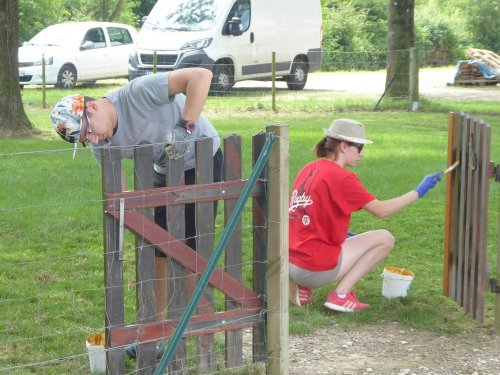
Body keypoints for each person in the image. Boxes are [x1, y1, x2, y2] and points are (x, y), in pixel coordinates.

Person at [50, 68, 223, 354]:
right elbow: (123, 197)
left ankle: (196, 331)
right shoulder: (101, 144)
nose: (91, 140)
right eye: (84, 140)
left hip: (199, 159)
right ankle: (153, 335)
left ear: (92, 107)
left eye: (88, 132)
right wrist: (129, 216)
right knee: (157, 250)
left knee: (192, 249)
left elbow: (202, 76)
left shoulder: (139, 92)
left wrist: (185, 127)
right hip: (162, 167)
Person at [288, 118, 442, 313]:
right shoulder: (343, 177)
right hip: (312, 268)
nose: (362, 153)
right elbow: (382, 210)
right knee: (384, 238)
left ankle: (302, 286)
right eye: (359, 147)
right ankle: (341, 295)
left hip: (289, 261)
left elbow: (304, 213)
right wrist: (418, 191)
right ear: (344, 146)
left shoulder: (310, 168)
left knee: (348, 238)